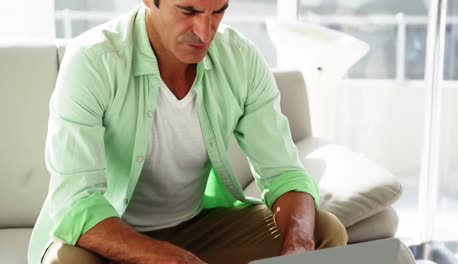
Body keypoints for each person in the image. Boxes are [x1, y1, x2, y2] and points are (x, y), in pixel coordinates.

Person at [28, 0, 348, 263]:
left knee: (323, 230)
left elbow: (283, 173)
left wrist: (300, 244)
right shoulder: (93, 61)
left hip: (194, 228)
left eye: (218, 11)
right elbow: (75, 202)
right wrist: (166, 257)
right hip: (104, 236)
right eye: (188, 11)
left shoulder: (241, 60)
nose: (204, 32)